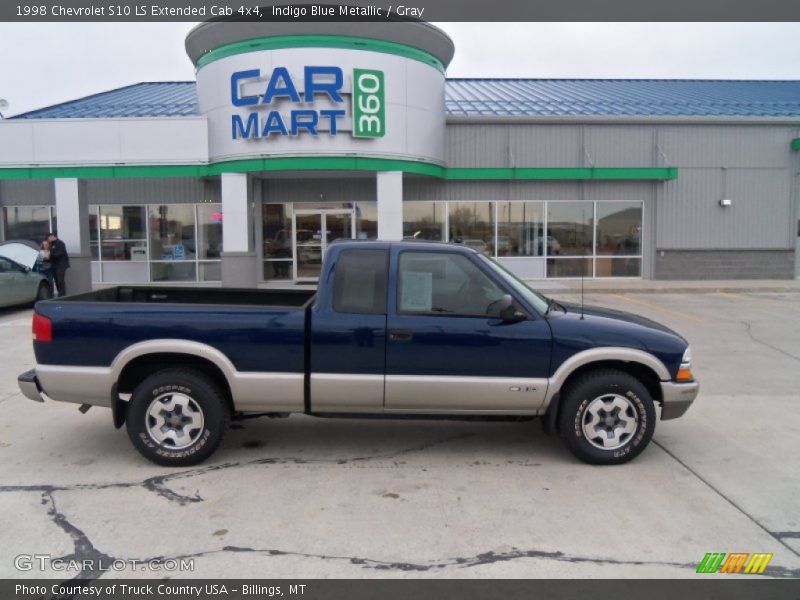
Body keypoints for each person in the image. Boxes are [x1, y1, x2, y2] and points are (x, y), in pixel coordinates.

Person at [47, 232, 70, 297]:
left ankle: (62, 294)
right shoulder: (50, 244)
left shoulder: (60, 243)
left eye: (49, 237)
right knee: (56, 280)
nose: (48, 239)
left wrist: (51, 254)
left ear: (52, 236)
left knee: (60, 280)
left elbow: (60, 253)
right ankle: (60, 293)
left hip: (61, 265)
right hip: (54, 265)